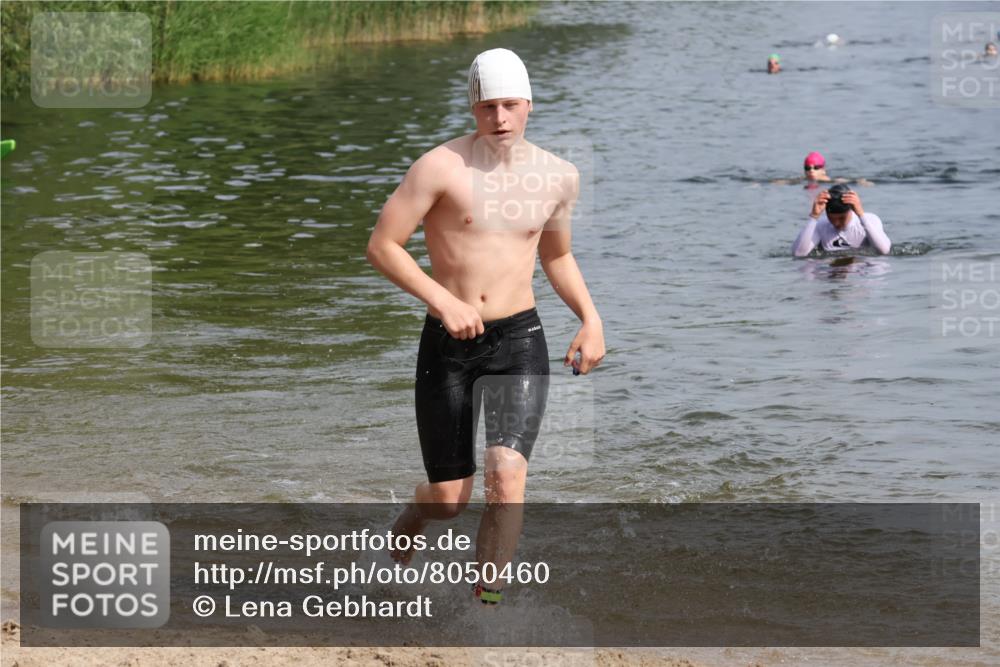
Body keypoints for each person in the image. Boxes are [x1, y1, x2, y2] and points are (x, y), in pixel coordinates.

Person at [366, 48, 605, 604]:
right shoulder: (439, 167)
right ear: (473, 108)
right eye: (488, 106)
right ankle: (411, 520)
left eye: (510, 105)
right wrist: (441, 299)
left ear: (529, 105)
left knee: (507, 476)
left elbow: (557, 256)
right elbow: (382, 246)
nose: (500, 118)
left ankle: (488, 604)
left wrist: (590, 319)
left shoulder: (559, 177)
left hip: (519, 340)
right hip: (447, 343)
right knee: (450, 500)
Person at [792, 184, 891, 257]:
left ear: (851, 210)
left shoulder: (870, 220)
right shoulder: (820, 225)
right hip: (831, 272)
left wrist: (861, 214)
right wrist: (814, 217)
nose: (836, 223)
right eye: (831, 218)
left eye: (841, 218)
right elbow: (799, 254)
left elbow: (884, 251)